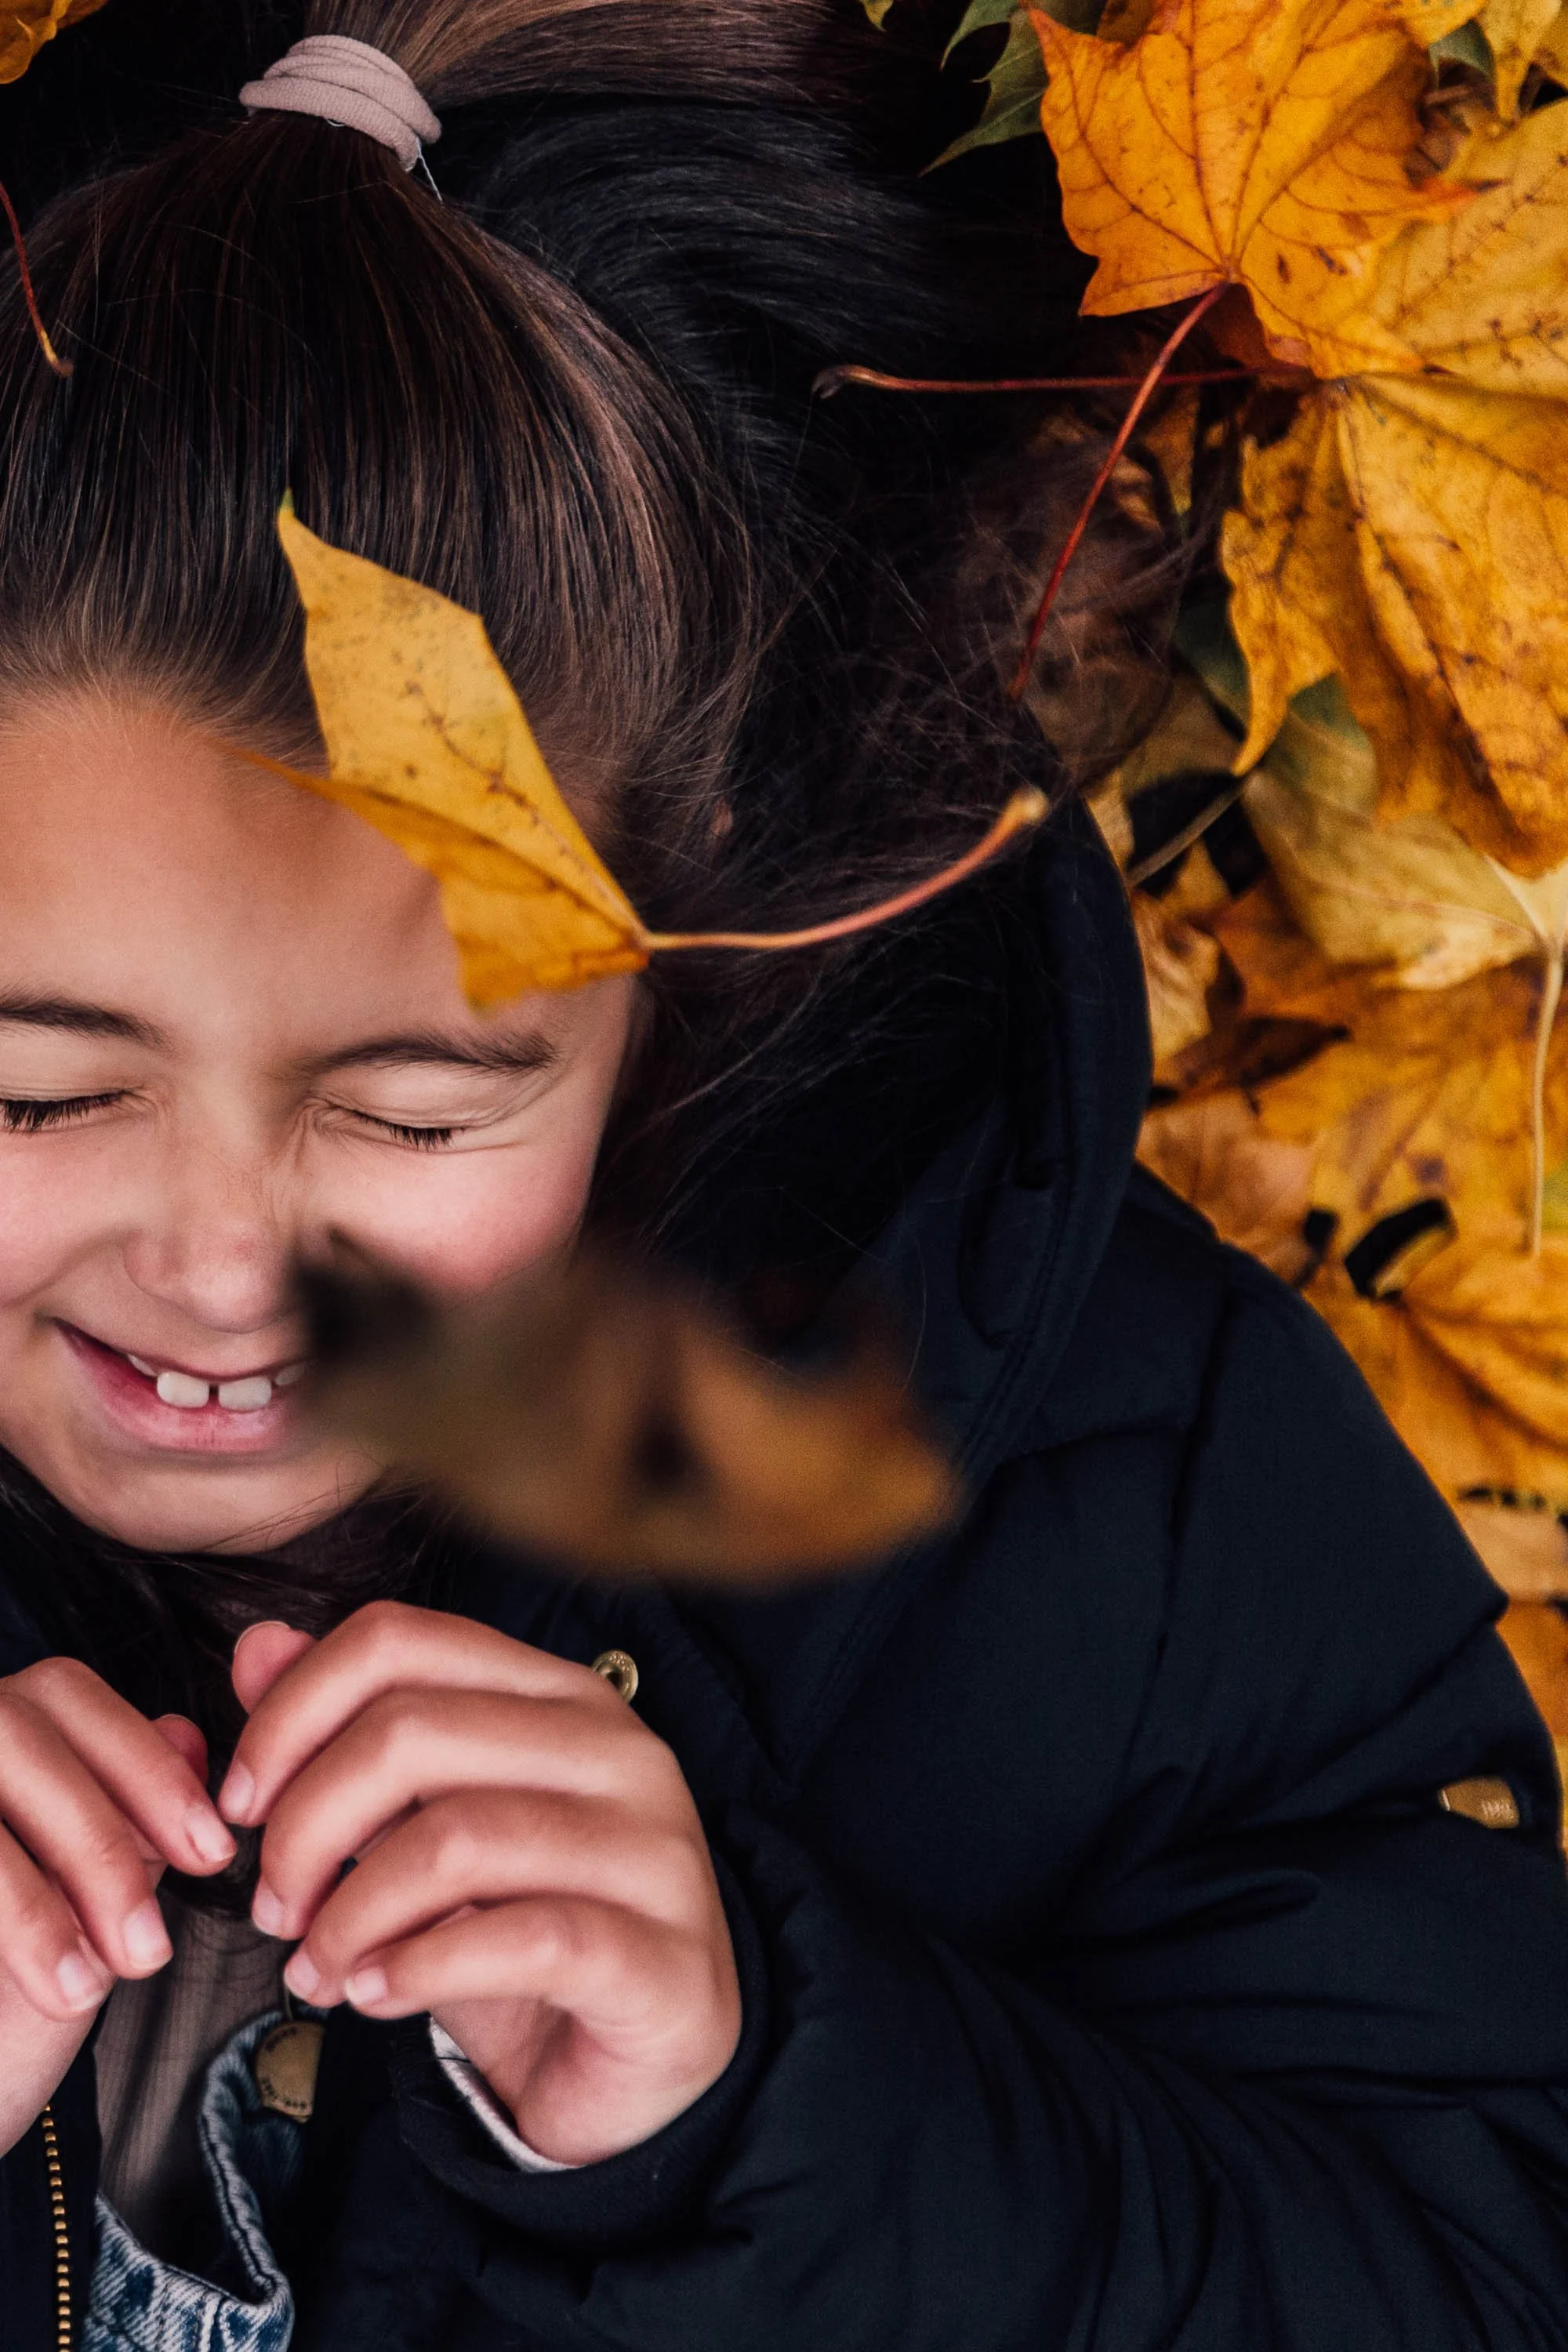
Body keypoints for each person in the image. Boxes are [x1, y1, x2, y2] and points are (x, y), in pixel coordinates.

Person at [0, 2, 1565, 2346]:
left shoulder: (1122, 1506)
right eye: (34, 1096)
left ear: (691, 964)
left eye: (418, 1112)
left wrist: (766, 2119)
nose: (228, 1264)